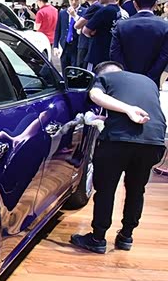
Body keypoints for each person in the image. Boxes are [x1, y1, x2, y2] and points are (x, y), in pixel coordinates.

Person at [70, 61, 166, 254]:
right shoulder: (147, 81)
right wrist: (116, 115)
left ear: (100, 75)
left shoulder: (105, 79)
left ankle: (98, 238)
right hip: (154, 142)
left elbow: (95, 96)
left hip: (117, 143)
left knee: (106, 189)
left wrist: (128, 109)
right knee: (136, 189)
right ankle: (126, 236)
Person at [110, 0, 168, 86]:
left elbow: (114, 53)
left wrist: (126, 74)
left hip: (125, 80)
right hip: (151, 82)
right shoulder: (165, 26)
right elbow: (164, 56)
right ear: (155, 4)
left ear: (134, 4)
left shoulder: (121, 25)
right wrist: (151, 76)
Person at [82, 0, 120, 70]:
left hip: (97, 52)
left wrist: (91, 33)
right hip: (111, 52)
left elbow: (85, 30)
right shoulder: (118, 10)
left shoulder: (103, 11)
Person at [54, 0, 83, 69]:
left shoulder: (85, 12)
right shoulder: (63, 12)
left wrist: (74, 15)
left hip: (77, 46)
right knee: (64, 68)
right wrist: (55, 46)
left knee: (75, 69)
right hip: (64, 45)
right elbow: (58, 30)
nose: (74, 2)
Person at [75, 0, 100, 68]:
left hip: (87, 44)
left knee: (83, 69)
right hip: (86, 43)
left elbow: (77, 25)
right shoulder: (93, 7)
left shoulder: (95, 6)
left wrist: (83, 26)